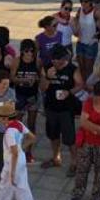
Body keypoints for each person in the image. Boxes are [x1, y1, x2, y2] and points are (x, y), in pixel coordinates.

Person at [40, 46, 83, 174]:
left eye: (59, 60)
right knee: (53, 135)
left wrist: (69, 92)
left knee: (70, 138)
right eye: (53, 60)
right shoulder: (47, 68)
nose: (55, 62)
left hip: (66, 109)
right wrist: (47, 77)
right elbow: (42, 88)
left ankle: (74, 162)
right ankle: (56, 158)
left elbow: (80, 84)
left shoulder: (72, 69)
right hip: (51, 107)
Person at [0, 102, 37, 200]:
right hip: (19, 159)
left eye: (1, 118)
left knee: (21, 190)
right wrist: (21, 148)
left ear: (6, 118)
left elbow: (14, 154)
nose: (0, 121)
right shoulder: (19, 124)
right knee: (6, 187)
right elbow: (32, 138)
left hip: (13, 163)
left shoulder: (9, 132)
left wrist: (12, 173)